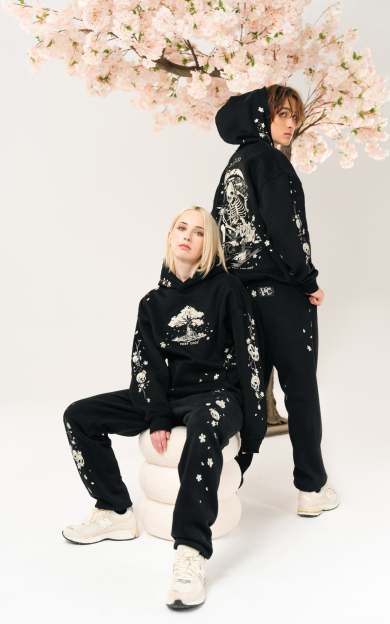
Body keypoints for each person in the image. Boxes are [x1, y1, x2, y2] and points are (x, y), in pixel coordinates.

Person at [62, 206, 267, 609]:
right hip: (166, 395)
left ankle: (190, 550)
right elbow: (146, 366)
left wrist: (250, 434)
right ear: (171, 236)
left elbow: (250, 357)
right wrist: (157, 415)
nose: (188, 236)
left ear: (210, 244)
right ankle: (115, 510)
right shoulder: (152, 302)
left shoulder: (227, 290)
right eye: (181, 228)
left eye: (199, 232)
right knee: (80, 416)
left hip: (216, 395)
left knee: (203, 425)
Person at [211, 84, 339, 517]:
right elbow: (286, 229)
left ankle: (223, 486)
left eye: (294, 116)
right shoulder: (271, 162)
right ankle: (311, 488)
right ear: (260, 117)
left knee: (248, 393)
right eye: (281, 113)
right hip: (282, 297)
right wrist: (308, 280)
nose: (291, 123)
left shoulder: (234, 166)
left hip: (242, 300)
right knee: (300, 389)